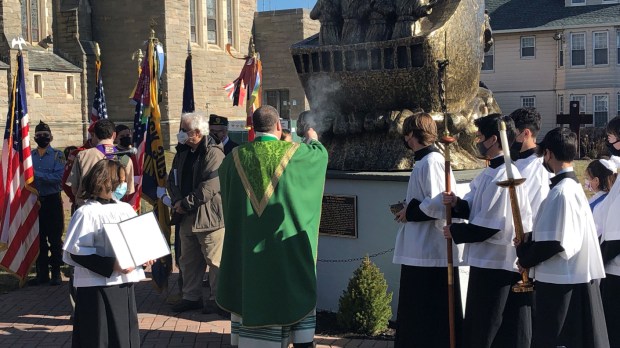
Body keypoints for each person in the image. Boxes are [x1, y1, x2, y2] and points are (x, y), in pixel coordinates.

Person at [217, 105, 328, 348]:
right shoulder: (295, 153)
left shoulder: (232, 160)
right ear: (279, 125)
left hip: (248, 256)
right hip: (285, 253)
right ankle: (298, 340)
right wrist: (312, 137)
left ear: (253, 128)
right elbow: (319, 156)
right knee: (292, 295)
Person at [443, 113, 533, 348]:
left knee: (490, 324)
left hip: (498, 263)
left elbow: (491, 226)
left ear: (494, 139)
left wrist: (455, 232)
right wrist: (456, 204)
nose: (477, 141)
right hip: (485, 261)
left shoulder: (506, 175)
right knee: (479, 322)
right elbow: (474, 207)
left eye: (480, 136)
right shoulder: (489, 172)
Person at [516, 127, 609, 348]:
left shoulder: (562, 192)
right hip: (568, 278)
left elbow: (556, 243)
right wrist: (530, 239)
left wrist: (525, 255)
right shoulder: (571, 187)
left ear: (548, 154)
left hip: (561, 281)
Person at [63, 159, 153, 348]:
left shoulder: (125, 208)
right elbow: (76, 253)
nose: (122, 185)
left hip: (123, 283)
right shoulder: (86, 213)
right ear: (106, 181)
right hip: (97, 287)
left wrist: (144, 255)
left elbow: (134, 241)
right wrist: (112, 265)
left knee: (124, 334)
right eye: (119, 180)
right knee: (99, 336)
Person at [392, 112, 463, 347]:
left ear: (412, 134)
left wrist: (409, 212)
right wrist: (407, 207)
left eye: (406, 134)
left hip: (430, 252)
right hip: (420, 250)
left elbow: (439, 201)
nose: (405, 139)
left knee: (427, 314)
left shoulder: (432, 161)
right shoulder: (424, 161)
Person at [166, 112, 225, 314]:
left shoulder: (214, 152)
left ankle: (219, 299)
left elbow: (210, 185)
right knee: (188, 260)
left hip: (209, 217)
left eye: (185, 130)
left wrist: (186, 203)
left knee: (214, 261)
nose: (181, 133)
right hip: (185, 216)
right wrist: (176, 201)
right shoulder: (182, 152)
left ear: (198, 133)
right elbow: (171, 179)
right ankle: (191, 297)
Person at [67, 119, 135, 207]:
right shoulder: (125, 159)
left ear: (95, 135)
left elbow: (74, 188)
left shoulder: (83, 155)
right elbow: (128, 190)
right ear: (114, 135)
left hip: (87, 208)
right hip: (113, 209)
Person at [30, 121, 66, 286]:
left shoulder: (58, 155)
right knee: (38, 240)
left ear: (51, 137)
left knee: (55, 239)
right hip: (34, 202)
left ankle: (56, 273)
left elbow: (59, 178)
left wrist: (36, 175)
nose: (42, 138)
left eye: (45, 135)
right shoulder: (30, 156)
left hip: (52, 201)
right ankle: (42, 273)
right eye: (39, 135)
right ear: (34, 137)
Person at [509, 107, 550, 215]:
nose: (510, 140)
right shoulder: (513, 160)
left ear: (526, 133)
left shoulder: (540, 165)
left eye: (513, 134)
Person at [584, 159, 617, 237]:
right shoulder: (614, 197)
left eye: (588, 178)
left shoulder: (595, 205)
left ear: (596, 181)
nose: (587, 182)